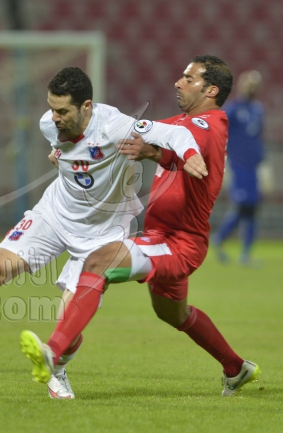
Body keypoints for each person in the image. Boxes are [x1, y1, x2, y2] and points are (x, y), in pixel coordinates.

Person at [0, 66, 208, 399]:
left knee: (71, 316)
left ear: (86, 106)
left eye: (63, 111)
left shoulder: (115, 126)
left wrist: (191, 155)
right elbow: (64, 153)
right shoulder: (48, 125)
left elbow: (174, 134)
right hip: (55, 215)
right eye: (52, 108)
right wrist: (61, 159)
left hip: (103, 234)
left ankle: (58, 371)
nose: (55, 117)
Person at [21, 55, 260, 397]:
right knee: (173, 313)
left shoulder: (211, 122)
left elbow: (194, 144)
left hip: (179, 243)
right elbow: (126, 132)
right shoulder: (180, 121)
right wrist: (67, 148)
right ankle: (236, 368)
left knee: (99, 262)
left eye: (189, 78)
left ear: (211, 90)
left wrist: (159, 154)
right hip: (162, 236)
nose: (178, 82)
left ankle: (53, 353)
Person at [213, 70, 264, 265]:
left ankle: (243, 252)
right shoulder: (233, 110)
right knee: (243, 206)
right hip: (238, 165)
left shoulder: (258, 111)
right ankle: (221, 239)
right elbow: (220, 134)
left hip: (253, 167)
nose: (252, 89)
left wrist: (263, 162)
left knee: (252, 208)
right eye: (249, 85)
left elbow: (258, 138)